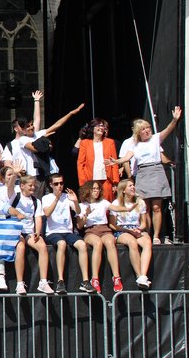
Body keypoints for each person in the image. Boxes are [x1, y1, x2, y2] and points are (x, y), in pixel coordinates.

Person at [108, 106, 182, 244]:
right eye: (143, 129)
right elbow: (127, 157)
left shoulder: (155, 139)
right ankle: (146, 233)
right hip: (142, 173)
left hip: (155, 171)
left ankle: (156, 236)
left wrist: (174, 119)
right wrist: (116, 161)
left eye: (147, 127)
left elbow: (168, 130)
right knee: (145, 207)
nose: (146, 130)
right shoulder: (134, 144)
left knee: (156, 207)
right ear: (138, 132)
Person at [13, 93, 85, 195]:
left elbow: (56, 125)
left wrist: (70, 113)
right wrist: (44, 140)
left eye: (31, 124)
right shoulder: (23, 139)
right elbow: (34, 148)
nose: (31, 127)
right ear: (23, 130)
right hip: (34, 175)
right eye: (28, 126)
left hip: (46, 173)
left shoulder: (38, 134)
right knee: (37, 201)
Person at [42, 173, 93, 294]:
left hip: (67, 230)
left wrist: (75, 201)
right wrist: (56, 199)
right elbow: (47, 213)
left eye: (61, 183)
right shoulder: (46, 198)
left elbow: (78, 212)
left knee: (82, 244)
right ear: (51, 185)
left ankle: (85, 281)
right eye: (56, 184)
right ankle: (60, 280)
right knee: (61, 244)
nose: (59, 186)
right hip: (53, 231)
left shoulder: (67, 197)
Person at [77, 180, 122, 293]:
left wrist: (128, 208)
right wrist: (86, 215)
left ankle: (116, 278)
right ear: (88, 190)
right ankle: (95, 278)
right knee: (98, 244)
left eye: (98, 189)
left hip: (105, 229)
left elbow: (115, 208)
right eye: (94, 189)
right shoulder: (82, 205)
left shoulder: (104, 202)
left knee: (110, 242)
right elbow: (79, 226)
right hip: (91, 230)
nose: (96, 191)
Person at [11, 176, 53, 295]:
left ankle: (43, 282)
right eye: (30, 185)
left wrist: (37, 232)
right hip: (16, 231)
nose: (33, 188)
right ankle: (19, 283)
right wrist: (15, 173)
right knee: (20, 247)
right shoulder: (15, 197)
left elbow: (38, 217)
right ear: (22, 186)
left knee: (43, 246)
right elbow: (9, 187)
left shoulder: (36, 201)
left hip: (29, 231)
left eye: (34, 185)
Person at [109, 179, 153, 289]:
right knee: (132, 242)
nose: (133, 187)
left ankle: (143, 276)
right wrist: (128, 231)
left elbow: (143, 223)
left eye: (133, 185)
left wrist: (138, 229)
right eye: (130, 186)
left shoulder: (140, 202)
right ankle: (138, 275)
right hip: (122, 230)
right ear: (123, 190)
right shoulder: (116, 203)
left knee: (147, 242)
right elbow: (112, 224)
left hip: (136, 228)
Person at [76, 118, 120, 201]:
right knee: (92, 203)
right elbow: (80, 163)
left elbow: (114, 163)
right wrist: (82, 182)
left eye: (102, 126)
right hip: (90, 179)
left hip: (106, 180)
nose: (101, 127)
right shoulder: (84, 143)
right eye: (98, 125)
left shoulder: (110, 142)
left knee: (107, 204)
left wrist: (115, 182)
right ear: (92, 128)